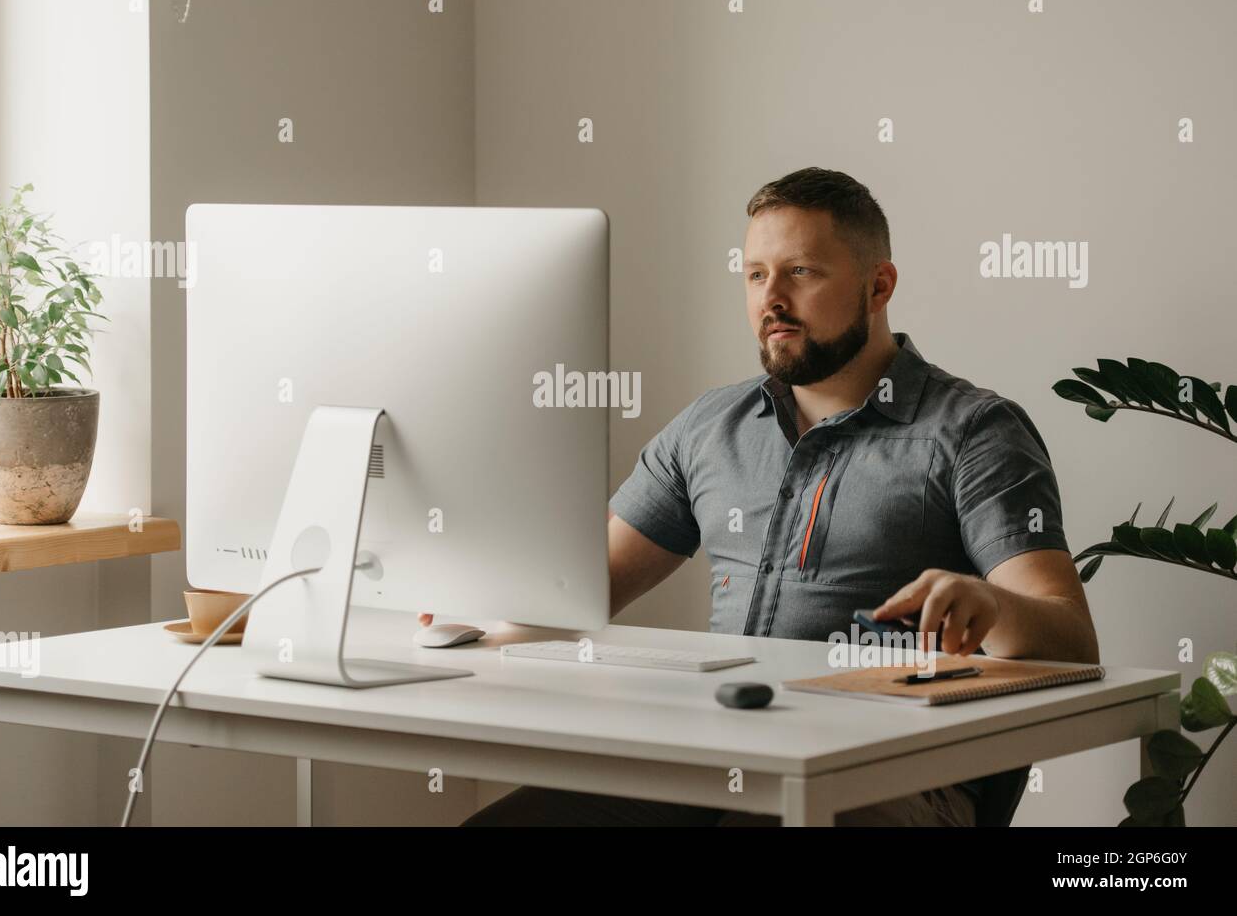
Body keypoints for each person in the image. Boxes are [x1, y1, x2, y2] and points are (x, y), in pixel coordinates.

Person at [424, 167, 1100, 825]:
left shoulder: (974, 431)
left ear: (878, 285)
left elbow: (1071, 639)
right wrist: (475, 597)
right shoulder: (711, 427)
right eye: (754, 274)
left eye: (801, 272)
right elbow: (579, 588)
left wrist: (991, 605)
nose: (771, 297)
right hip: (722, 755)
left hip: (894, 775)